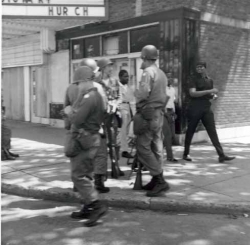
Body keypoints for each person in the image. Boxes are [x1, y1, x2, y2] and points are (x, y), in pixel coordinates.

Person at [65, 66, 107, 227]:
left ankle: (96, 205)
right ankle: (88, 207)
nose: (77, 86)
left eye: (78, 83)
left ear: (84, 81)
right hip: (90, 138)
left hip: (85, 139)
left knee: (78, 175)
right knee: (86, 173)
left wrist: (69, 111)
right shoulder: (91, 94)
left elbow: (77, 120)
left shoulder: (89, 97)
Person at [134, 45, 170, 197]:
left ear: (144, 57)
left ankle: (159, 179)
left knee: (143, 147)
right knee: (156, 147)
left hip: (148, 113)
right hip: (158, 113)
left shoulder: (148, 72)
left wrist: (135, 95)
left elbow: (142, 93)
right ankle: (156, 180)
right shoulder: (161, 73)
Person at [183, 61, 235, 163]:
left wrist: (213, 96)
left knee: (212, 131)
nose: (199, 69)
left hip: (206, 107)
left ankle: (221, 155)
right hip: (195, 106)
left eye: (201, 67)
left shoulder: (209, 80)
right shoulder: (193, 79)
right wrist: (209, 92)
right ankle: (186, 153)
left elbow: (209, 95)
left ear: (205, 68)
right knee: (191, 130)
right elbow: (192, 93)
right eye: (197, 67)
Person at [94, 58, 124, 180]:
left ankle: (115, 165)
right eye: (108, 66)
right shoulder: (97, 82)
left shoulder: (114, 81)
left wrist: (115, 104)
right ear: (102, 68)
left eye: (111, 66)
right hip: (102, 116)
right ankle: (102, 171)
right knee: (102, 144)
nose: (111, 69)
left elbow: (120, 96)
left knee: (115, 142)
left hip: (113, 115)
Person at [118, 70, 134, 159]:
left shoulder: (128, 87)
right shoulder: (118, 87)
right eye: (125, 76)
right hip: (121, 107)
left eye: (127, 76)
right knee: (123, 131)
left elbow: (131, 100)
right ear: (120, 77)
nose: (127, 78)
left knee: (126, 131)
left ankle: (121, 146)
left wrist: (132, 112)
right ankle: (124, 150)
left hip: (128, 107)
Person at [162, 73, 178, 162]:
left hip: (171, 112)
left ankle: (167, 153)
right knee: (166, 135)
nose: (170, 79)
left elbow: (172, 101)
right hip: (165, 112)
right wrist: (164, 113)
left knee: (171, 135)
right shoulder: (162, 89)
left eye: (171, 77)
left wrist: (174, 112)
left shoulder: (172, 89)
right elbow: (162, 102)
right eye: (168, 77)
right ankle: (169, 156)